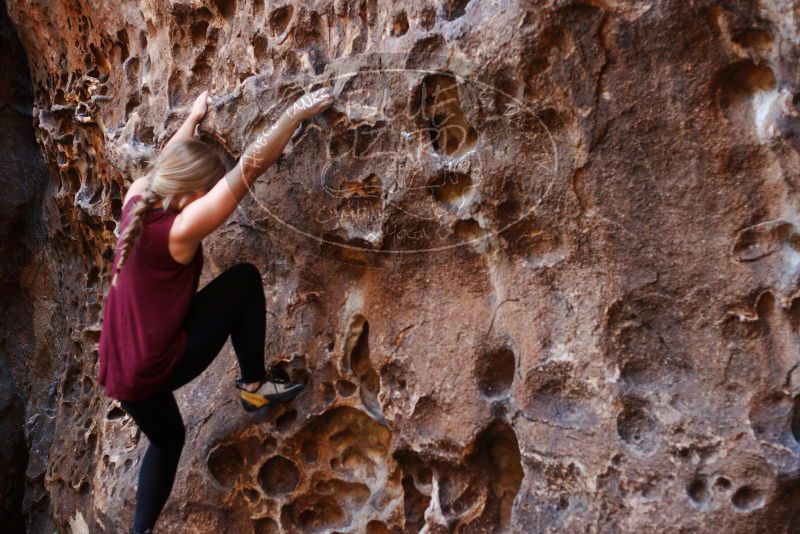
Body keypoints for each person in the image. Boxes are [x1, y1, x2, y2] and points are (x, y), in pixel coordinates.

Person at [96, 87, 335, 534]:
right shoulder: (182, 228)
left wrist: (193, 117)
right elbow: (250, 167)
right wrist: (293, 114)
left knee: (166, 439)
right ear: (194, 193)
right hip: (152, 364)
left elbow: (169, 157)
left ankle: (139, 532)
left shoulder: (139, 194)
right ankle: (254, 386)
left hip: (121, 360)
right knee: (243, 280)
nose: (209, 198)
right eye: (205, 191)